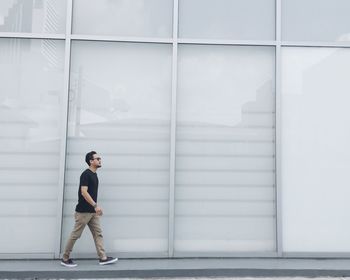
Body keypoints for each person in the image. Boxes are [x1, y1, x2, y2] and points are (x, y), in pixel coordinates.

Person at [61, 151, 118, 267]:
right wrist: (95, 205)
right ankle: (65, 258)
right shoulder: (86, 174)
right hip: (83, 212)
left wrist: (95, 208)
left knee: (98, 234)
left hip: (92, 212)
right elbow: (84, 192)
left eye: (100, 158)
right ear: (91, 161)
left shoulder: (94, 175)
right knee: (75, 235)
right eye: (97, 158)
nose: (100, 160)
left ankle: (103, 258)